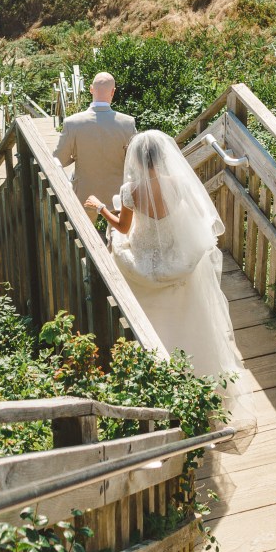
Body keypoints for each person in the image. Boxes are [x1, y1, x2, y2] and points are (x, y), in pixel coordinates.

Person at [84, 129, 256, 436]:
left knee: (125, 267)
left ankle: (154, 378)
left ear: (135, 159)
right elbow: (189, 219)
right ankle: (201, 386)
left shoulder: (130, 190)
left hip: (146, 263)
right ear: (165, 157)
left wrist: (101, 209)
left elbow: (123, 228)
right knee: (191, 318)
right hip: (178, 262)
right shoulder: (178, 184)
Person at [53, 71, 136, 223]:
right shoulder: (127, 123)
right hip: (118, 198)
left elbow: (59, 160)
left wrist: (75, 157)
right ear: (113, 91)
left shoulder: (72, 123)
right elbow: (133, 161)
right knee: (120, 238)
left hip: (85, 195)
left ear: (91, 89)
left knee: (83, 239)